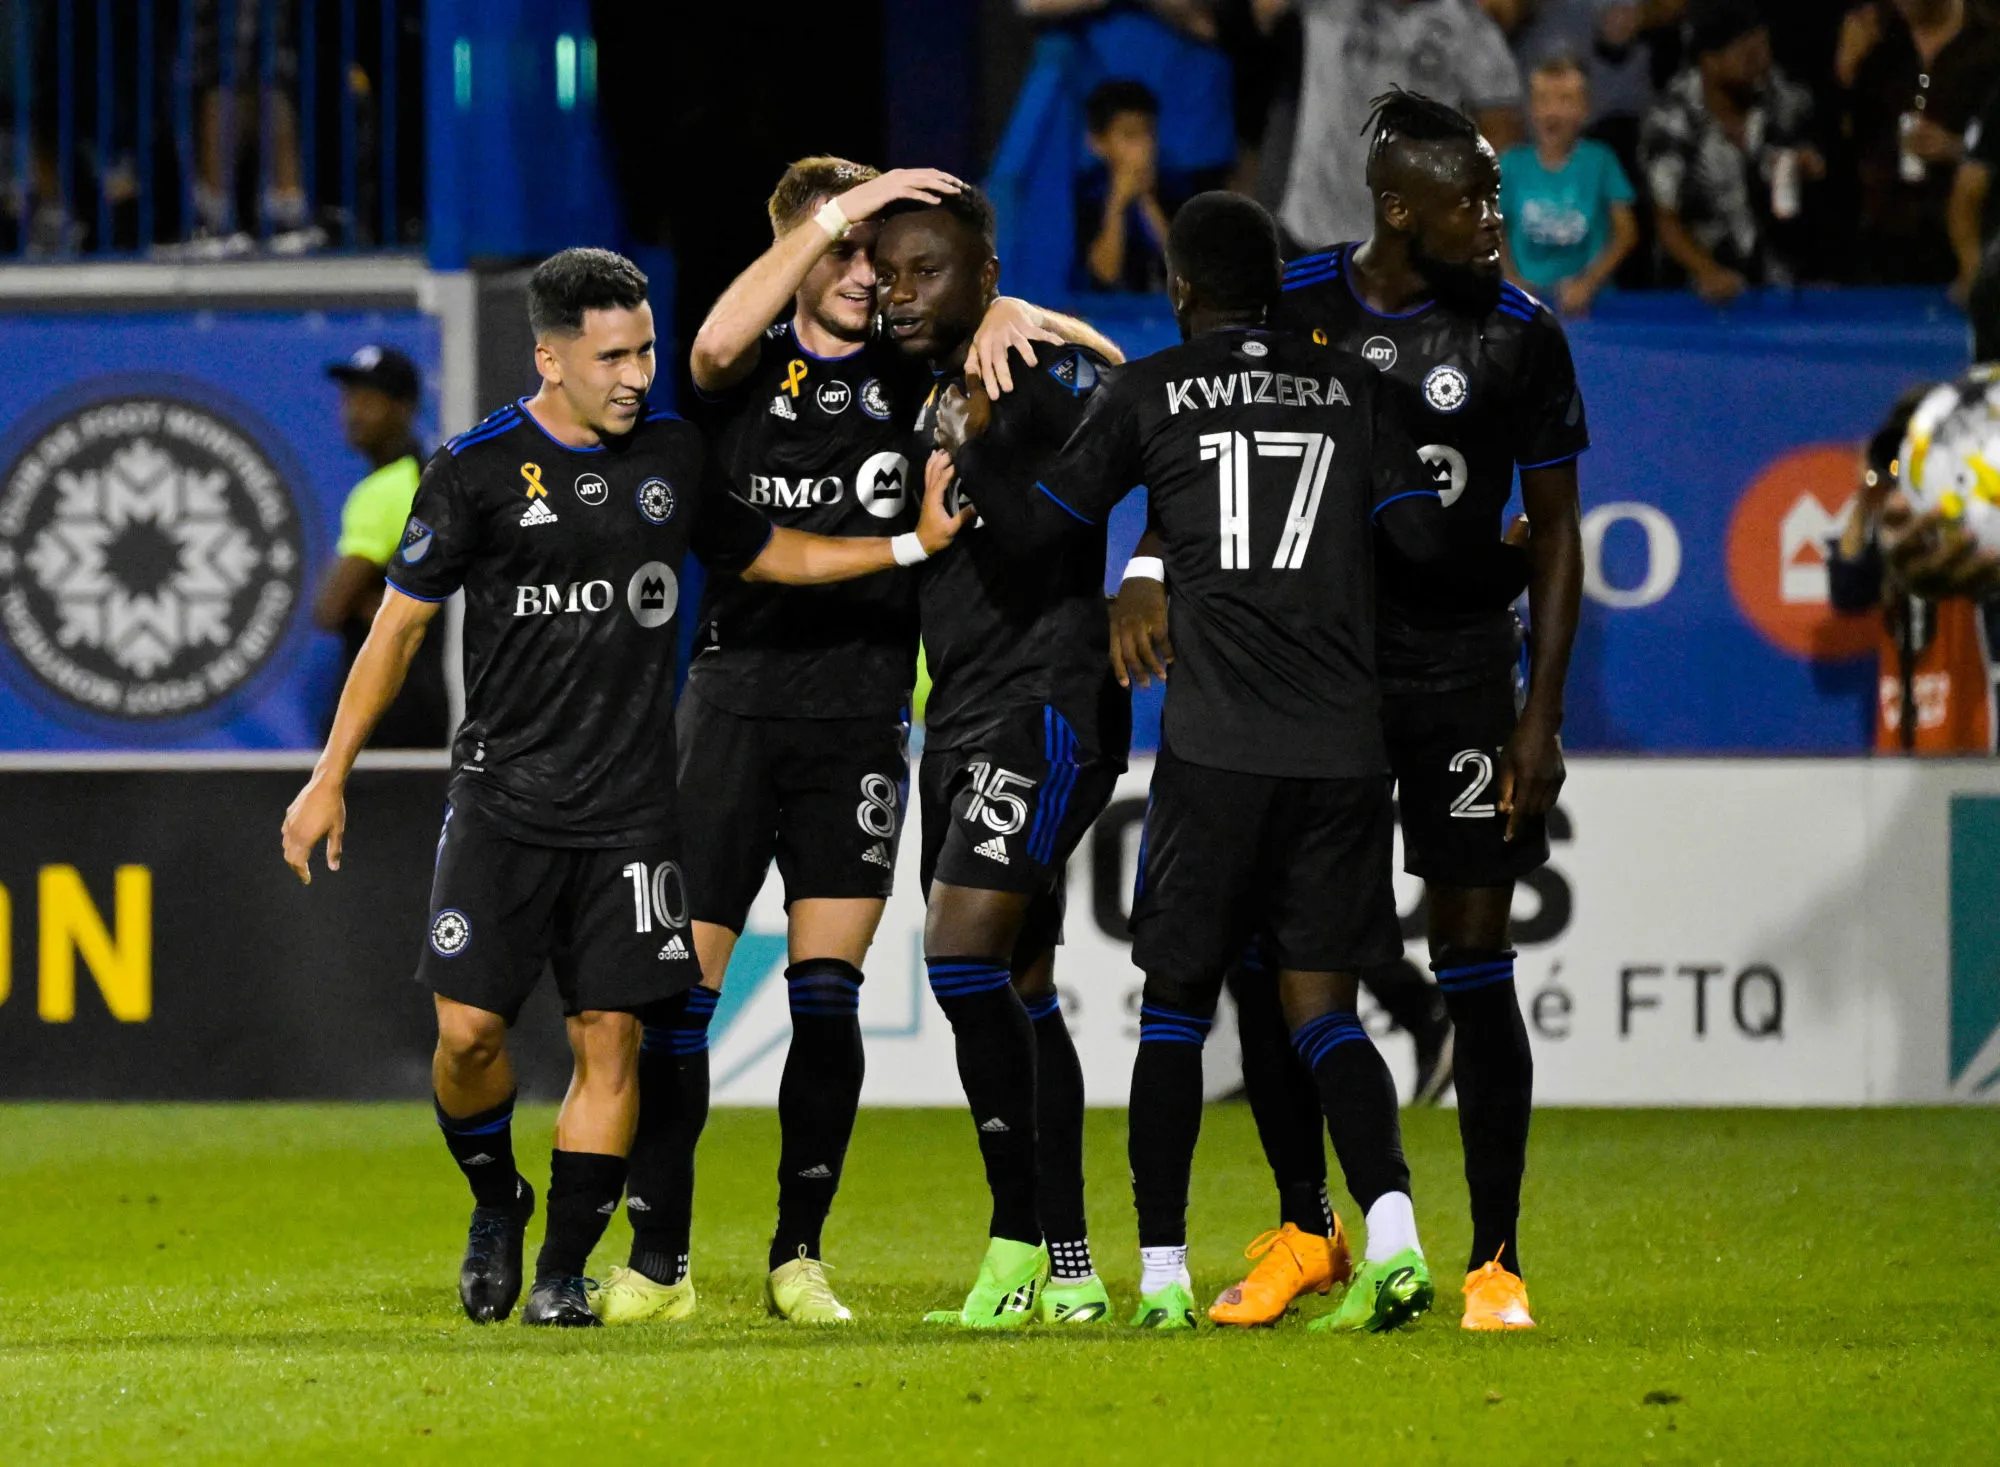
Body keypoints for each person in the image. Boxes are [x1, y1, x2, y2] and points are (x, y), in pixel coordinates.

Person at [278, 247, 970, 1329]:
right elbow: (397, 630)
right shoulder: (473, 469)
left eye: (645, 350)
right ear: (549, 358)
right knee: (467, 1037)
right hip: (503, 800)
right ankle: (497, 1197)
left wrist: (906, 544)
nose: (638, 374)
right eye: (612, 357)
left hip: (633, 814)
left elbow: (768, 553)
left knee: (611, 1040)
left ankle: (562, 1270)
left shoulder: (673, 456)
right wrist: (329, 777)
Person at [956, 191, 1533, 1332]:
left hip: (1215, 754)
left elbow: (1036, 529)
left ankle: (1164, 1278)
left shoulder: (1150, 392)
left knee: (1175, 1013)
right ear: (1274, 286)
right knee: (1325, 1013)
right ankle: (1396, 1243)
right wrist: (1509, 564)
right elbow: (1425, 549)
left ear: (1179, 290)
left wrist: (970, 454)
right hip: (1341, 756)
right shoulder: (1356, 390)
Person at [593, 156, 1119, 1328]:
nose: (864, 274)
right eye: (840, 249)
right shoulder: (746, 369)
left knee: (825, 996)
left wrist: (1016, 307)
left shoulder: (910, 364)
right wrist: (828, 218)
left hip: (862, 718)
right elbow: (707, 346)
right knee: (680, 999)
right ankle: (659, 1260)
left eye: (875, 258)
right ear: (794, 251)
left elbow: (1043, 346)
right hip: (729, 706)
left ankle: (799, 1258)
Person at [1114, 88, 1587, 1333]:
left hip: (1461, 682)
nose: (1494, 221)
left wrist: (1538, 718)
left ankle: (1494, 1259)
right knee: (1272, 964)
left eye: (1493, 196)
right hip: (1317, 683)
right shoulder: (1296, 303)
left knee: (1473, 962)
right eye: (1472, 200)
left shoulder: (1520, 335)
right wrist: (1149, 565)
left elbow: (1553, 535)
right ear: (1397, 208)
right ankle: (1307, 1227)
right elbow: (1205, 455)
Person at [873, 187, 1131, 1328]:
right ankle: (1063, 1269)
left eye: (926, 271)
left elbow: (1135, 410)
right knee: (1019, 986)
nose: (899, 293)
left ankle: (1018, 1239)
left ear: (984, 277)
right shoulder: (928, 386)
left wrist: (1147, 574)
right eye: (889, 273)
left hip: (1047, 703)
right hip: (962, 715)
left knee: (961, 955)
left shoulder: (1034, 371)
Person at [1827, 385, 1998, 753]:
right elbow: (1847, 592)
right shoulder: (1896, 528)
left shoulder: (1982, 519)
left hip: (1972, 737)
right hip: (1900, 741)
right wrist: (1866, 495)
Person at [1277, 0, 1525, 251]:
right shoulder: (1329, 7)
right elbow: (1264, 13)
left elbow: (1503, 132)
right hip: (1311, 227)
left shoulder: (1470, 27)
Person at [310, 345, 447, 749]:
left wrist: (367, 603)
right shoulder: (428, 480)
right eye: (349, 399)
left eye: (369, 401)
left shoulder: (385, 491)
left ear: (404, 409)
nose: (353, 413)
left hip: (379, 715)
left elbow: (330, 609)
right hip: (424, 707)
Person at [1637, 1, 1821, 302]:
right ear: (1710, 61)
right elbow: (1665, 218)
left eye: (1765, 50)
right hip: (1696, 295)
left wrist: (1810, 165)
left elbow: (1816, 160)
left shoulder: (1782, 98)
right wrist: (1708, 273)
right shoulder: (1671, 118)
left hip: (1778, 287)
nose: (1762, 65)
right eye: (1749, 56)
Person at [1836, 0, 2000, 287]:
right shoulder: (1877, 37)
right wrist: (1846, 75)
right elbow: (1843, 144)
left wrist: (1960, 149)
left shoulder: (1988, 41)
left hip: (1965, 245)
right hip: (1882, 247)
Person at [1501, 57, 1640, 312]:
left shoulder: (1601, 160)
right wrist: (1511, 282)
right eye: (1543, 100)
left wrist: (1589, 283)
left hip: (1593, 304)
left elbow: (1626, 232)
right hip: (1525, 305)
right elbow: (1489, 229)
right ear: (1530, 109)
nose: (1552, 111)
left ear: (1585, 110)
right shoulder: (1511, 163)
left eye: (1565, 100)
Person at [1076, 79, 1193, 292]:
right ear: (1098, 143)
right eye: (1130, 136)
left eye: (1149, 134)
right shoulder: (1087, 192)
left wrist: (1146, 201)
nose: (1144, 147)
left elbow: (1186, 272)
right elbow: (1105, 275)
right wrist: (1117, 203)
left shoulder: (1175, 186)